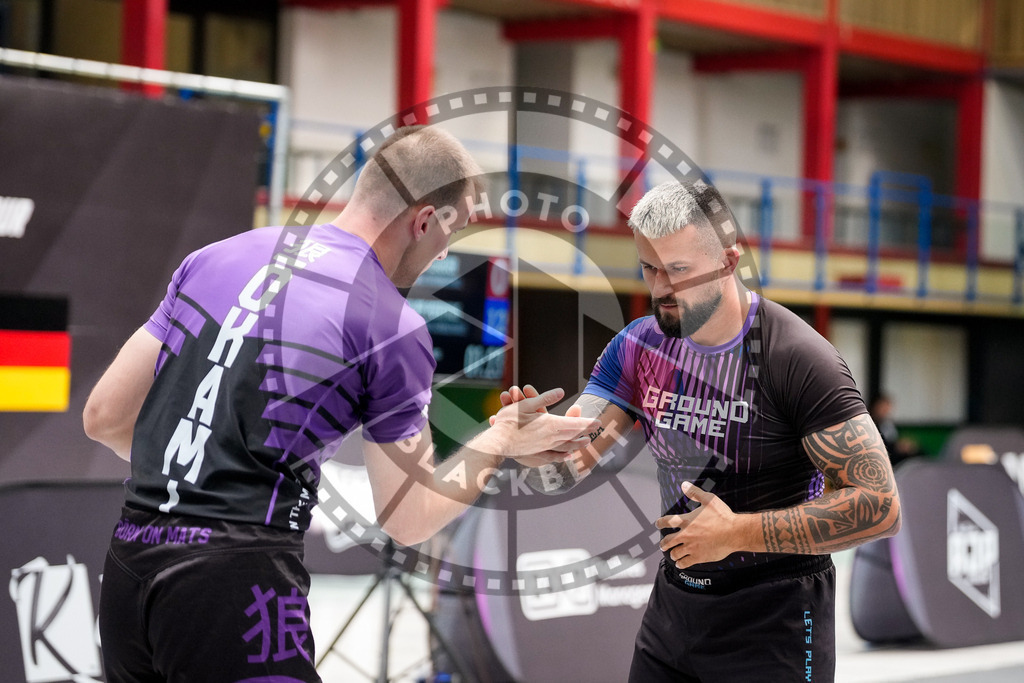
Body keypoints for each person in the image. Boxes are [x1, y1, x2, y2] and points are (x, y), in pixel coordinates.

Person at [83, 125, 599, 683]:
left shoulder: (215, 257)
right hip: (234, 580)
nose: (446, 253)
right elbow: (408, 516)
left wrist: (191, 481)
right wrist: (498, 440)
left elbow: (105, 417)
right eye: (453, 234)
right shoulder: (389, 324)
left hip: (129, 565)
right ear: (424, 221)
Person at [505, 180, 902, 682]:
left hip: (776, 618)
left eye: (678, 270)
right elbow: (570, 466)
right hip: (675, 614)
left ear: (729, 262)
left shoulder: (796, 358)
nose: (662, 289)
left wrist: (739, 532)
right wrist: (531, 448)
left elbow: (880, 506)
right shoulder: (639, 347)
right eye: (650, 269)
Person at [870, 393, 921, 468]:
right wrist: (897, 447)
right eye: (883, 407)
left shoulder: (887, 424)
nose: (886, 410)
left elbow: (893, 439)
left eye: (887, 407)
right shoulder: (871, 424)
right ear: (875, 406)